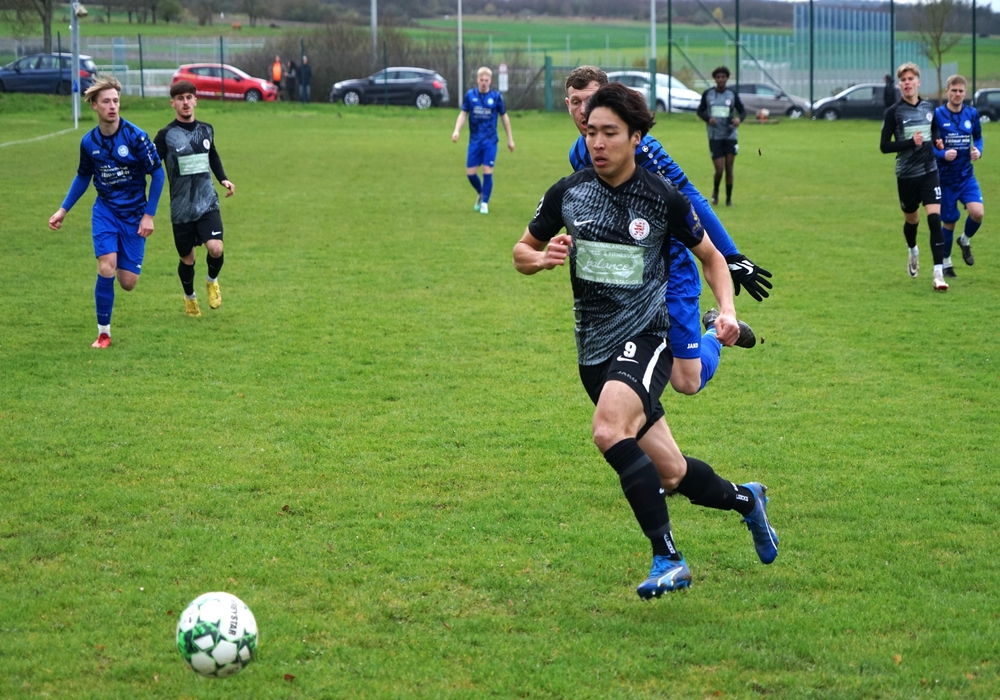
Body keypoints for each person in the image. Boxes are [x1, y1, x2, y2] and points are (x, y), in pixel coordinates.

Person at [513, 82, 777, 599]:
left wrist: (726, 310)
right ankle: (748, 500)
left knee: (609, 430)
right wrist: (540, 259)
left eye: (610, 133)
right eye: (591, 132)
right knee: (673, 474)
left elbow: (710, 258)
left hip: (646, 338)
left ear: (637, 137)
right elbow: (521, 250)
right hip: (593, 351)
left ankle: (668, 559)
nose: (597, 142)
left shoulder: (661, 198)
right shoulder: (568, 192)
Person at [564, 66, 771, 396]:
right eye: (576, 102)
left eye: (590, 100)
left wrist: (730, 254)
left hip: (671, 266)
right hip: (627, 275)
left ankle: (714, 333)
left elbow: (687, 197)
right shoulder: (578, 154)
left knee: (686, 381)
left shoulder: (642, 147)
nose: (583, 110)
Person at [48, 75, 164, 349]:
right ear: (95, 105)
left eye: (116, 101)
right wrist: (63, 210)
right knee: (106, 266)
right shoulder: (89, 142)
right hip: (106, 211)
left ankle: (124, 261)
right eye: (106, 102)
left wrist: (149, 215)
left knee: (128, 282)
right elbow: (83, 176)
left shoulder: (136, 137)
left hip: (135, 214)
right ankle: (103, 333)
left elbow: (158, 174)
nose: (112, 106)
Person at [154, 80, 235, 317]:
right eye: (180, 99)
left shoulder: (206, 130)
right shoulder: (165, 135)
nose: (185, 102)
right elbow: (151, 164)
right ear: (173, 103)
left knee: (216, 248)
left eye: (189, 97)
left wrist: (223, 179)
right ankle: (189, 297)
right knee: (187, 258)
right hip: (181, 207)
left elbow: (213, 156)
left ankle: (212, 280)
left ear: (195, 100)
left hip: (207, 201)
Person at [880, 62, 947, 291]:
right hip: (907, 175)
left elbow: (934, 128)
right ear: (899, 85)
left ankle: (938, 274)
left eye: (910, 79)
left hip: (930, 171)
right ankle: (913, 250)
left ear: (918, 82)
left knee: (934, 219)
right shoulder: (893, 112)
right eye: (903, 80)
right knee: (912, 221)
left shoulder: (929, 107)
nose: (907, 83)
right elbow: (884, 146)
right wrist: (910, 142)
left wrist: (937, 140)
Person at [932, 74, 984, 275]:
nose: (957, 94)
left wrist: (978, 151)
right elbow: (930, 145)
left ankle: (965, 240)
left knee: (978, 213)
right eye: (953, 90)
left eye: (961, 91)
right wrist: (943, 154)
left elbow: (978, 137)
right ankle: (946, 262)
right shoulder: (938, 115)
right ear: (947, 91)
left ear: (965, 92)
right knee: (950, 221)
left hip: (966, 175)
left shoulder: (971, 113)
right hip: (945, 178)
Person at [451, 66, 515, 215]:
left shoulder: (496, 97)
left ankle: (485, 203)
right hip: (474, 140)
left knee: (487, 171)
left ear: (490, 81)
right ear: (477, 80)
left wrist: (510, 139)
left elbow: (504, 118)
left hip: (490, 141)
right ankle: (481, 193)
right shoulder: (470, 95)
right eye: (481, 80)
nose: (484, 82)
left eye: (486, 80)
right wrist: (456, 130)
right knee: (470, 173)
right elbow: (463, 114)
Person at [697, 66, 746, 207]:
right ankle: (716, 191)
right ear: (715, 79)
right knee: (719, 170)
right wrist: (708, 119)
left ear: (727, 78)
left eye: (723, 77)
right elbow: (700, 111)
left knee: (729, 167)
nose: (720, 80)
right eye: (718, 77)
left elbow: (743, 111)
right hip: (715, 136)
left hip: (730, 135)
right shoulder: (708, 94)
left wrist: (738, 120)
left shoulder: (732, 94)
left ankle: (729, 199)